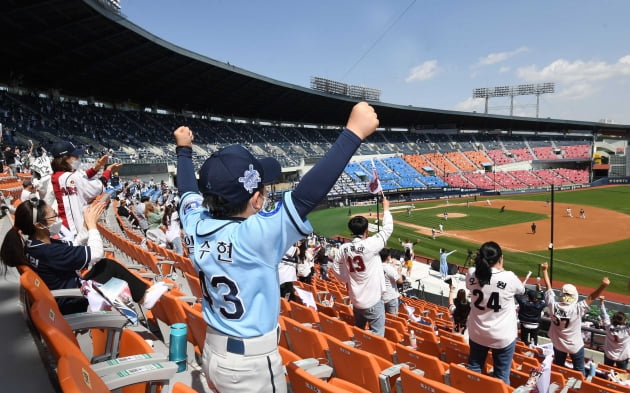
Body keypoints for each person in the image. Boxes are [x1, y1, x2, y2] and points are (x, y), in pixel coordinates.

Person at [175, 101, 379, 393]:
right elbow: (305, 197)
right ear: (256, 199)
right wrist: (352, 134)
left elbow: (187, 191)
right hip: (250, 366)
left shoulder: (194, 221)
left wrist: (183, 152)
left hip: (213, 351)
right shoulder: (254, 236)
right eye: (264, 189)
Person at [0, 199, 167, 314]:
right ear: (39, 225)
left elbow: (73, 247)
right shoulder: (48, 252)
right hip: (72, 301)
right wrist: (94, 226)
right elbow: (96, 254)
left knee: (106, 267)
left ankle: (141, 296)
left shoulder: (35, 245)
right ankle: (144, 298)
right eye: (53, 217)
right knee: (108, 265)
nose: (57, 219)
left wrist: (87, 227)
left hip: (66, 295)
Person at [466, 241, 525, 385]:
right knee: (501, 376)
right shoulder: (509, 277)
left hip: (477, 332)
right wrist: (502, 270)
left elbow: (473, 282)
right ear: (500, 258)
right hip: (502, 336)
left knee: (474, 369)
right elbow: (521, 290)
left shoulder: (471, 273)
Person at [333, 197, 392, 337]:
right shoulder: (370, 244)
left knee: (359, 332)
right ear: (366, 230)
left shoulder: (344, 248)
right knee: (377, 336)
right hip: (373, 301)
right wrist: (386, 209)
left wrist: (346, 278)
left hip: (356, 299)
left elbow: (336, 268)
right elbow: (388, 229)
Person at [541, 263, 609, 375]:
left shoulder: (552, 305)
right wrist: (603, 286)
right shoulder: (577, 308)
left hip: (558, 344)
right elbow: (591, 297)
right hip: (574, 346)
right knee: (579, 371)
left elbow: (548, 287)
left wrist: (544, 270)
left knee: (558, 368)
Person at [50, 141, 121, 240]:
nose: (78, 158)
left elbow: (81, 176)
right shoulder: (69, 177)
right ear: (66, 159)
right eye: (75, 155)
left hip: (64, 226)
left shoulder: (57, 175)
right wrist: (108, 171)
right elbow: (98, 187)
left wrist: (96, 169)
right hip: (73, 229)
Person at [598, 296, 630, 369]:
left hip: (609, 355)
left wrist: (601, 301)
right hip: (623, 357)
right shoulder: (627, 330)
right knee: (621, 376)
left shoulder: (608, 326)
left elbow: (604, 313)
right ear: (624, 321)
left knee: (606, 373)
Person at [381, 248, 403, 315]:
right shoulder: (390, 269)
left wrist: (392, 265)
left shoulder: (375, 266)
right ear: (388, 257)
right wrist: (399, 271)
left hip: (379, 297)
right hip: (390, 298)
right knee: (392, 318)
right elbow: (400, 281)